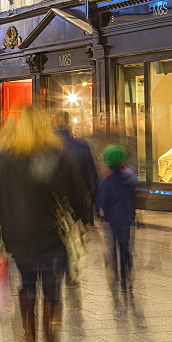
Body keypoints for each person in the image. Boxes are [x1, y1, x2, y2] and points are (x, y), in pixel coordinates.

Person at [0, 105, 92, 342]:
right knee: (53, 289)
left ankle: (29, 338)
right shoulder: (56, 155)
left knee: (27, 286)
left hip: (19, 237)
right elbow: (76, 194)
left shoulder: (4, 157)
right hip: (51, 235)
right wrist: (85, 220)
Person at [95, 145, 139, 320]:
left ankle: (115, 275)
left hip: (112, 220)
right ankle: (126, 277)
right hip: (127, 219)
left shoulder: (108, 180)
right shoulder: (130, 177)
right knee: (126, 247)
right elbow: (135, 195)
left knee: (113, 248)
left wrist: (99, 212)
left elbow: (101, 200)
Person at [54, 111, 97, 285]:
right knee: (75, 237)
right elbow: (91, 177)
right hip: (77, 202)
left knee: (59, 237)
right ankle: (71, 272)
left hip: (55, 202)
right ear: (70, 124)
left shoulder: (48, 147)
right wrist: (91, 205)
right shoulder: (82, 146)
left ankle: (59, 268)